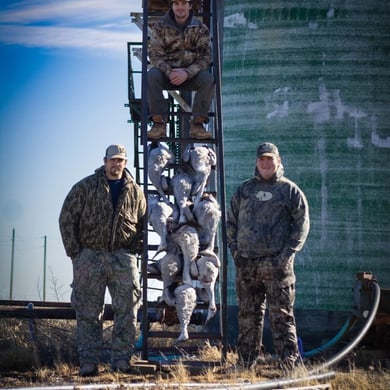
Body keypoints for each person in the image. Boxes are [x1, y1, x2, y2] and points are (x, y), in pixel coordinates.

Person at [59, 144, 146, 376]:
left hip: (122, 256)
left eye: (120, 160)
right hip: (90, 256)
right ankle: (88, 362)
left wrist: (133, 250)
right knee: (88, 310)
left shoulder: (135, 192)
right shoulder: (86, 187)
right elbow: (67, 218)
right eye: (112, 160)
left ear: (125, 163)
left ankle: (121, 359)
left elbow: (143, 223)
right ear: (104, 161)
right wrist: (76, 254)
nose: (116, 164)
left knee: (128, 308)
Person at [226, 142, 310, 372]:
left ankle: (289, 365)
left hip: (277, 266)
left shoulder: (289, 190)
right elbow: (230, 222)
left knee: (281, 317)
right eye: (262, 159)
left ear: (278, 161)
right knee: (247, 317)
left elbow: (301, 225)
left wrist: (286, 256)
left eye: (270, 159)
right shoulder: (244, 190)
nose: (265, 163)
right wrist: (236, 252)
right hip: (247, 266)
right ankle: (245, 364)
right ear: (256, 162)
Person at [147, 0, 215, 140]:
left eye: (184, 3)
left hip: (191, 75)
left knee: (208, 78)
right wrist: (169, 71)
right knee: (151, 75)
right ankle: (159, 124)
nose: (180, 7)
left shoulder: (200, 28)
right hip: (167, 74)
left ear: (190, 6)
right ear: (172, 6)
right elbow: (154, 55)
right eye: (176, 3)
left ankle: (197, 125)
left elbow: (205, 57)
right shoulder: (160, 27)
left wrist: (187, 72)